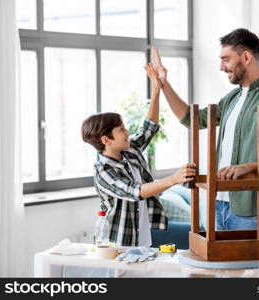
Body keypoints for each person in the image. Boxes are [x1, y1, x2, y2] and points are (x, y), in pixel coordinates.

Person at [151, 28, 259, 232]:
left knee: (249, 266)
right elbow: (191, 119)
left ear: (246, 57)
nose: (221, 67)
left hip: (251, 212)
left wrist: (248, 168)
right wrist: (163, 83)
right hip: (216, 206)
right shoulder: (231, 98)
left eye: (226, 59)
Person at [81, 63, 196, 246]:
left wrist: (157, 90)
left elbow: (149, 127)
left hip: (141, 236)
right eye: (121, 130)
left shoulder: (129, 151)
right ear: (106, 140)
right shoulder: (102, 171)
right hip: (115, 242)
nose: (127, 132)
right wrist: (173, 179)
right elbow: (136, 191)